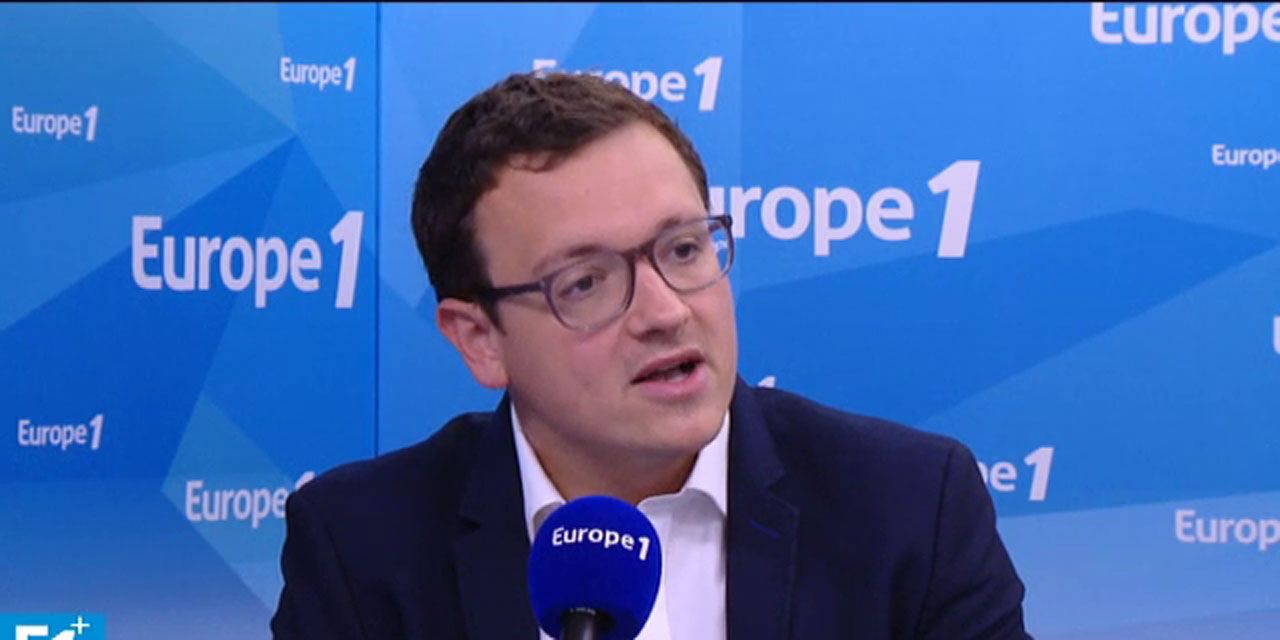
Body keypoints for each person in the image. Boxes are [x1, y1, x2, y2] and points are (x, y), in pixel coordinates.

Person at [271, 71, 1030, 639]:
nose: (666, 312)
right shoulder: (360, 550)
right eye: (587, 281)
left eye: (684, 249)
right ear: (481, 339)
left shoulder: (910, 511)